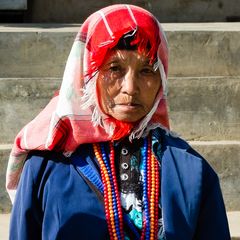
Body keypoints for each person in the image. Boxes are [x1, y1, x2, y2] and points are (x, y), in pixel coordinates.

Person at [7, 4, 230, 240]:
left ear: (162, 79)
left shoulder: (191, 170)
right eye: (114, 68)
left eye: (146, 70)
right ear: (87, 74)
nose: (130, 88)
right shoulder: (46, 166)